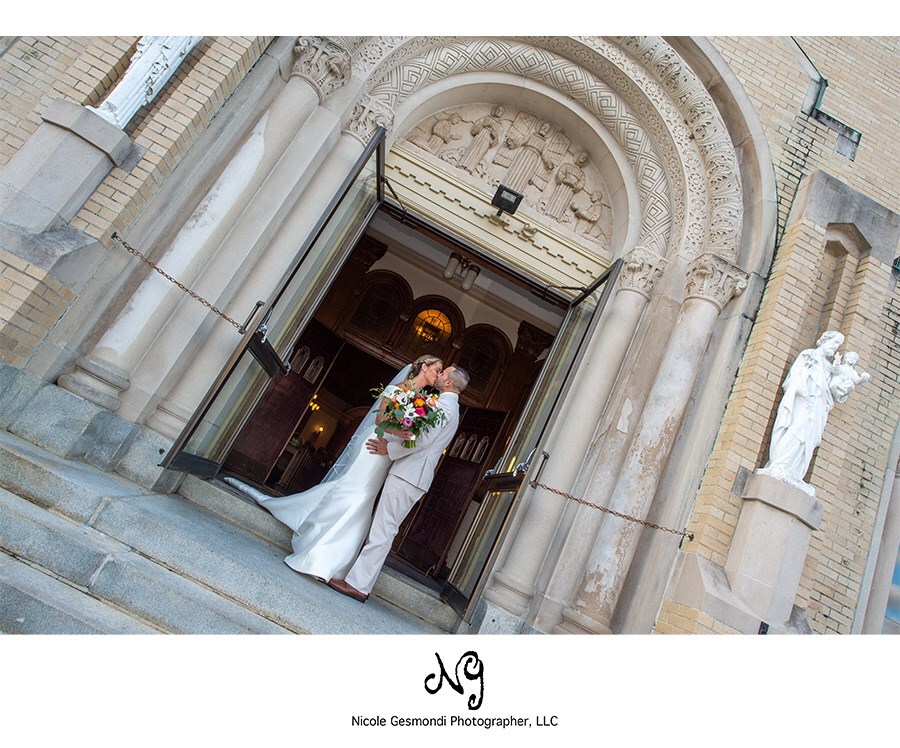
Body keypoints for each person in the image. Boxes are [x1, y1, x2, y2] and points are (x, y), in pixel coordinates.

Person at [223, 355, 444, 582]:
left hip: (386, 453)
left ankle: (335, 561)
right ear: (423, 367)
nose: (438, 374)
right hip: (373, 445)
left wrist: (405, 436)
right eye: (437, 369)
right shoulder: (399, 388)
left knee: (364, 500)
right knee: (354, 494)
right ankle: (317, 554)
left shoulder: (423, 402)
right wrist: (400, 433)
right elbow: (380, 420)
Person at [328, 365, 469, 602]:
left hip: (409, 475)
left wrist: (389, 448)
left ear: (448, 383)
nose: (440, 373)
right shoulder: (450, 406)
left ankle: (358, 585)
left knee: (384, 529)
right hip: (411, 475)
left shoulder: (444, 407)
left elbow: (422, 440)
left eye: (443, 373)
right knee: (383, 527)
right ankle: (357, 580)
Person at [759, 331, 843, 493]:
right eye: (833, 343)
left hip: (817, 408)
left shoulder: (828, 367)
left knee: (808, 437)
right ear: (824, 341)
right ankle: (781, 464)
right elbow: (795, 377)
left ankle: (795, 472)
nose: (834, 348)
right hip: (801, 402)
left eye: (837, 346)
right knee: (796, 429)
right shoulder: (809, 355)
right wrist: (802, 388)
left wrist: (840, 374)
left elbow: (832, 391)